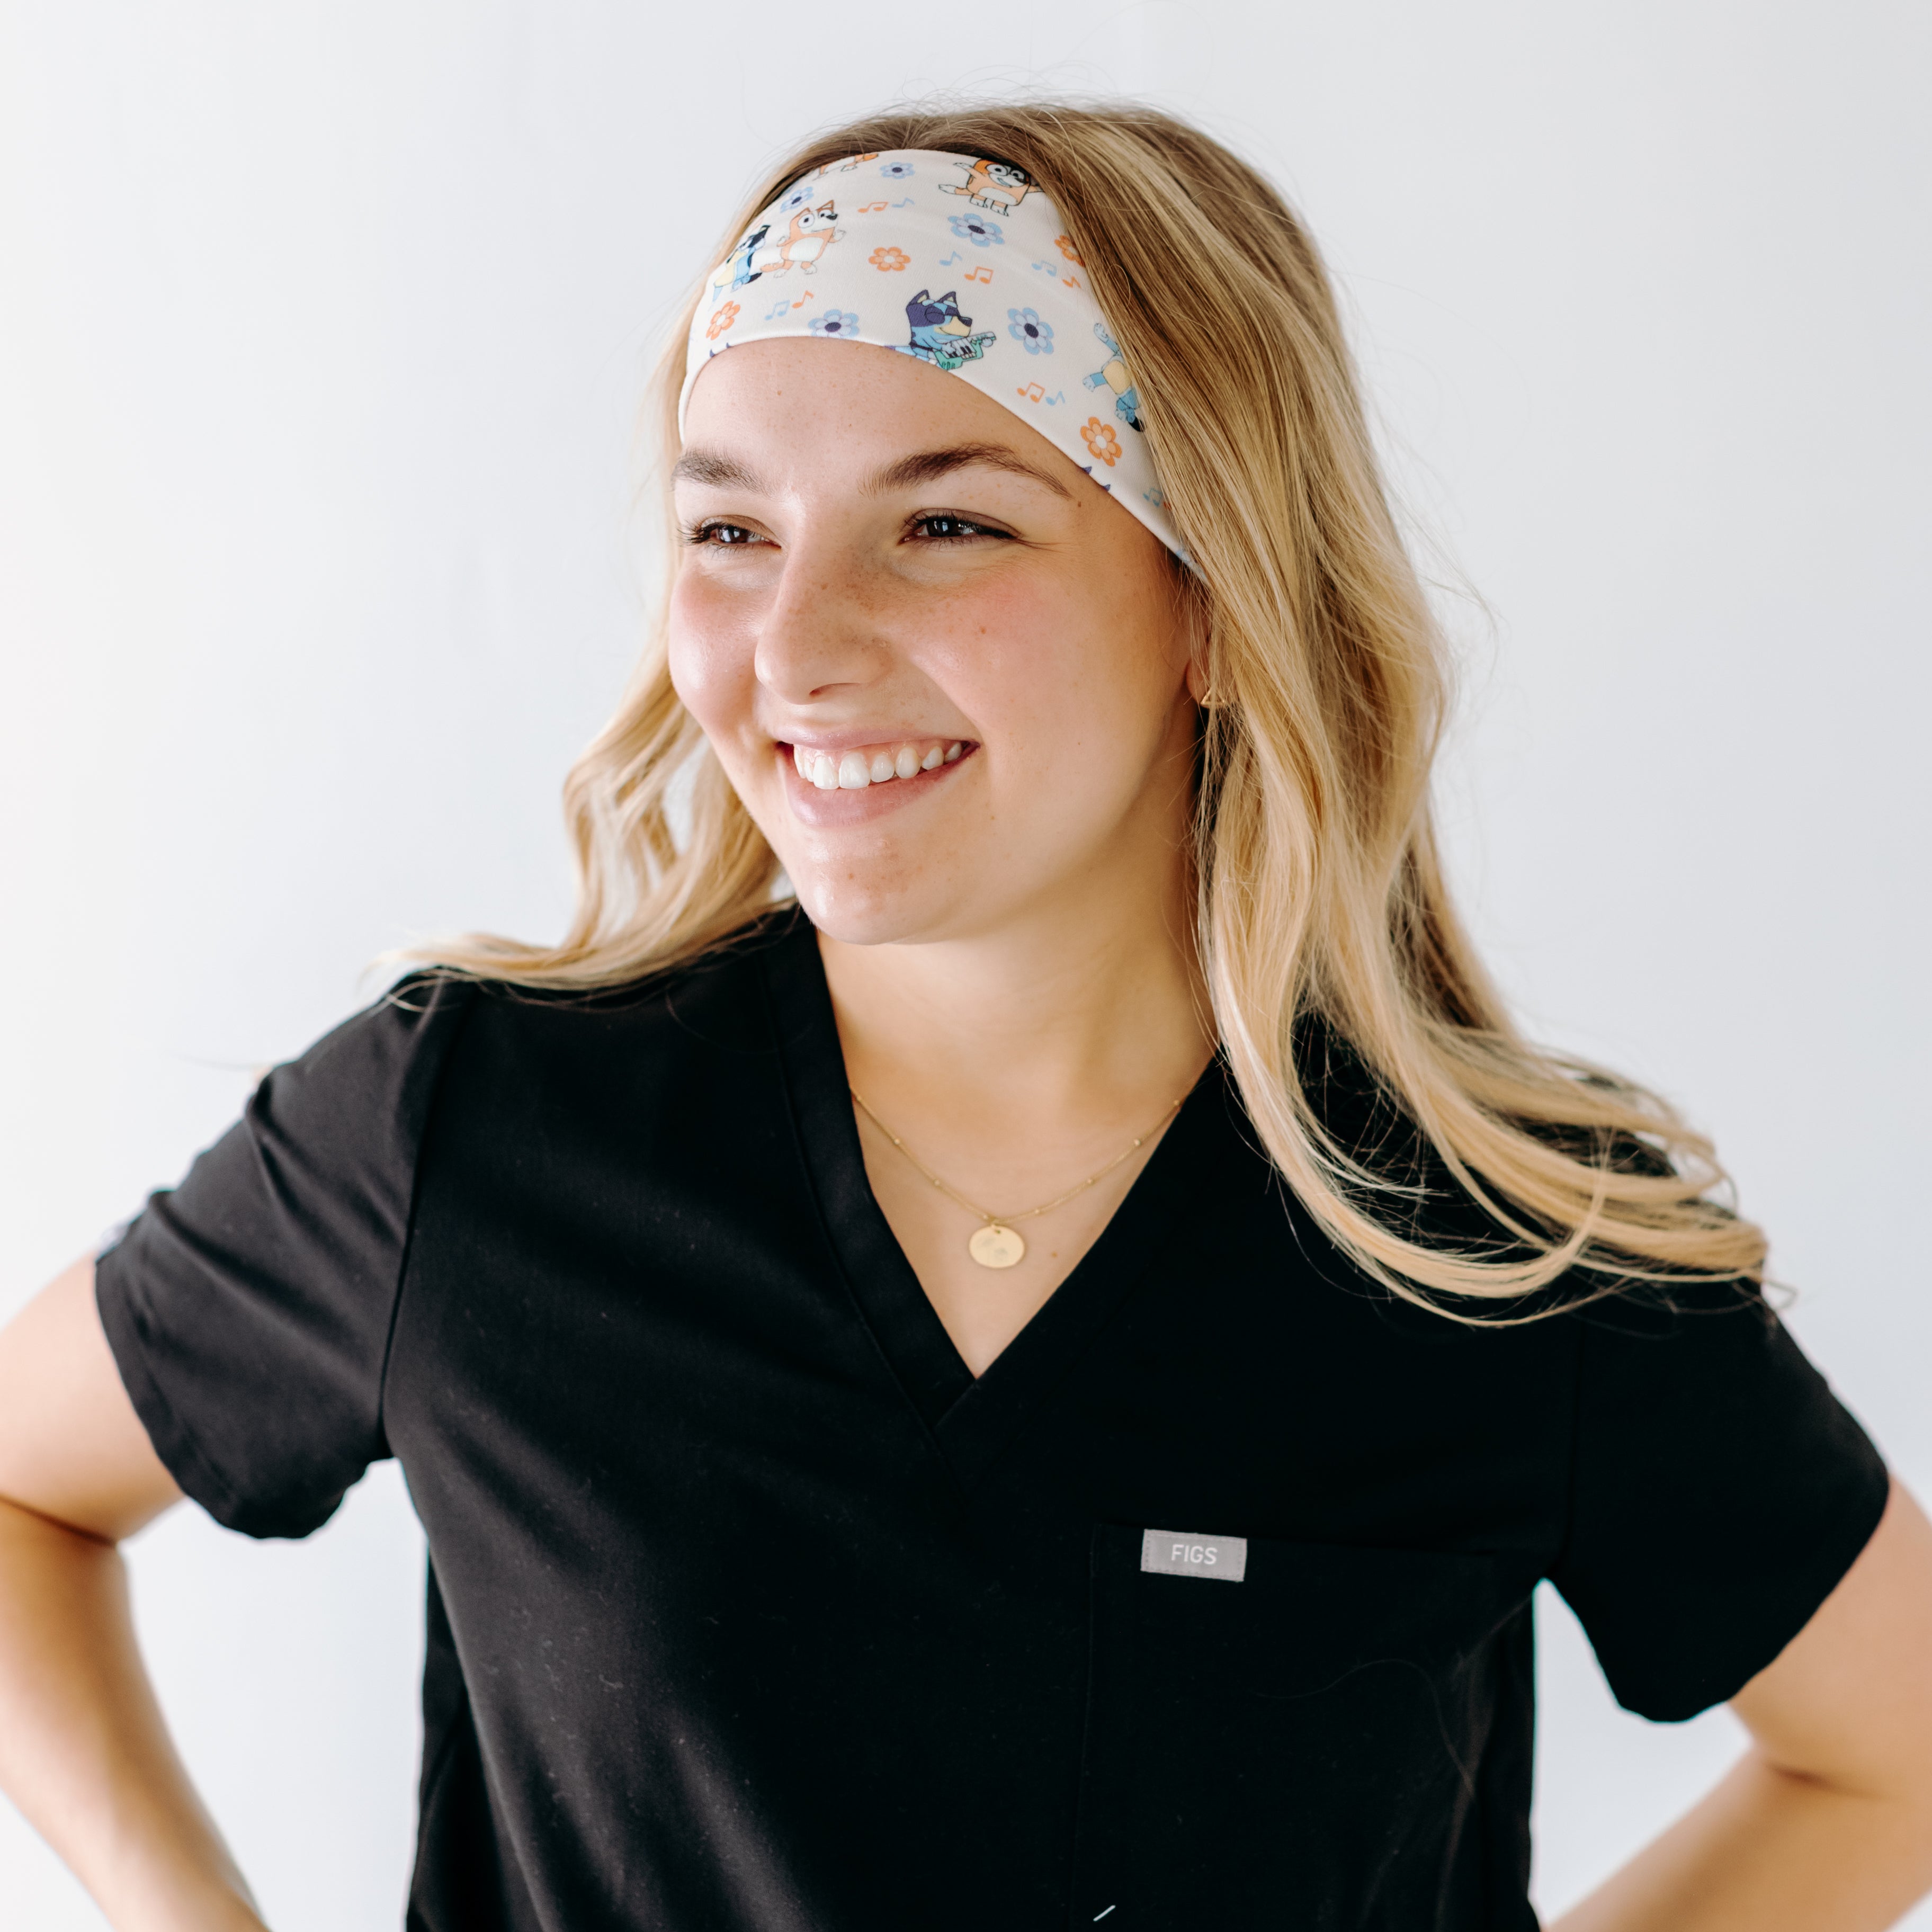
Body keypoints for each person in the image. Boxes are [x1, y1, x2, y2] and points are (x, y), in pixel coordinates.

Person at [1, 100, 1928, 1932]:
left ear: (1219, 608)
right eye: (731, 532)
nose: (796, 648)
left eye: (947, 526)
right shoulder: (470, 1131)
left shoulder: (1493, 1240)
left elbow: (1895, 1755)